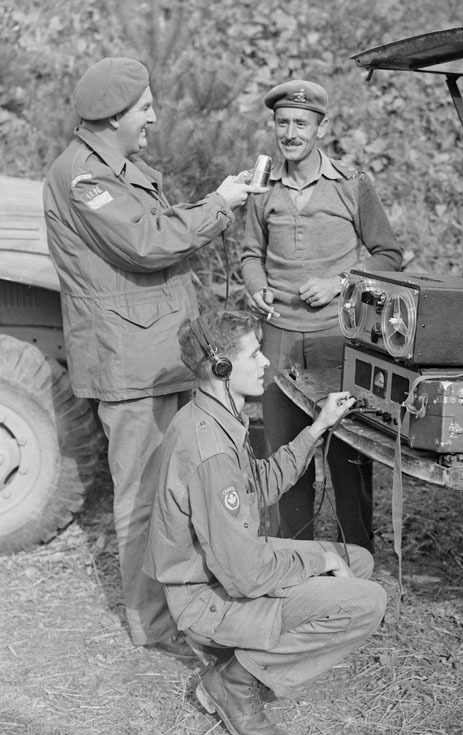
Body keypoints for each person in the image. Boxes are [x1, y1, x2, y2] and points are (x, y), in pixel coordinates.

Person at [43, 57, 265, 656]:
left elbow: (156, 225)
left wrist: (221, 202)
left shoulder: (121, 168)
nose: (154, 118)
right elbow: (147, 242)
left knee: (181, 486)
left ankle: (184, 602)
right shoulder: (83, 178)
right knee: (144, 495)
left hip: (159, 350)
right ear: (114, 116)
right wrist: (219, 203)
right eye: (144, 108)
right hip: (130, 361)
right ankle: (152, 622)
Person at [143, 308, 387, 735]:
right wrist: (319, 560)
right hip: (206, 597)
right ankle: (233, 680)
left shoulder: (219, 416)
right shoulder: (210, 448)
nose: (266, 363)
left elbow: (261, 485)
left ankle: (248, 656)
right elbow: (246, 574)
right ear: (221, 367)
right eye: (254, 354)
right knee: (366, 602)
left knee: (359, 560)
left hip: (225, 572)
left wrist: (316, 429)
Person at [242, 79, 404, 551]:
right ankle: (294, 558)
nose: (291, 133)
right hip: (279, 342)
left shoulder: (351, 185)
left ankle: (359, 558)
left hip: (339, 342)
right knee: (285, 454)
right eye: (283, 123)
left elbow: (389, 255)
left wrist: (340, 282)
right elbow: (252, 254)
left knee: (349, 456)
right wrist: (256, 287)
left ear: (322, 128)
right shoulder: (261, 187)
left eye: (301, 124)